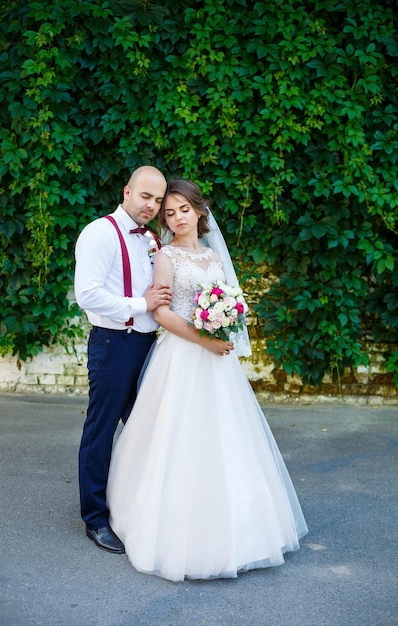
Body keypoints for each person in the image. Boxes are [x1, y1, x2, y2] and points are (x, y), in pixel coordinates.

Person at [106, 179, 308, 581]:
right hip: (181, 356)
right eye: (169, 213)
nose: (177, 217)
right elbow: (161, 314)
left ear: (199, 211)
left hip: (217, 362)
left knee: (226, 438)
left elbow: (228, 304)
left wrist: (224, 324)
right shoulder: (165, 257)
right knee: (177, 436)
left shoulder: (215, 259)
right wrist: (205, 339)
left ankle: (239, 530)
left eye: (183, 209)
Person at [74, 165, 173, 554]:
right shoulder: (100, 233)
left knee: (143, 431)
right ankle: (95, 518)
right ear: (127, 191)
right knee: (101, 430)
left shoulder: (151, 238)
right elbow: (89, 295)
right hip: (113, 345)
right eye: (145, 196)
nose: (152, 205)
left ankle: (133, 508)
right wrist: (140, 304)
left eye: (158, 200)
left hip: (148, 346)